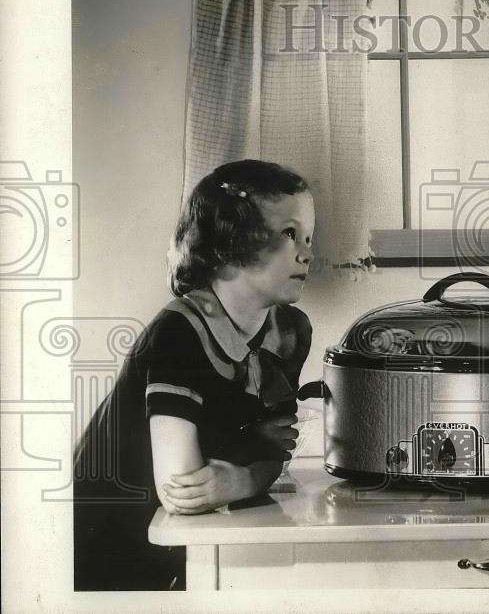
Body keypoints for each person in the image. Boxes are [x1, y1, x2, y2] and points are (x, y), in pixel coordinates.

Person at [73, 159, 315, 590]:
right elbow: (180, 489)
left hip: (189, 535)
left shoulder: (290, 332)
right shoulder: (179, 333)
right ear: (228, 243)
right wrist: (244, 472)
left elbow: (276, 449)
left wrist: (241, 477)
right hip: (108, 537)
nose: (307, 252)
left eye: (309, 237)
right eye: (289, 233)